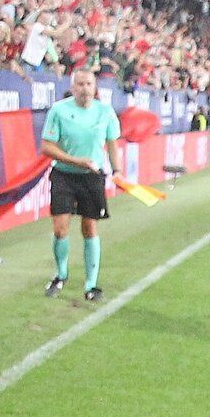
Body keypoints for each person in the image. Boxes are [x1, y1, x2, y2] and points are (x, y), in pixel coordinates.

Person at [39, 68, 121, 302]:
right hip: (64, 174)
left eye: (89, 84)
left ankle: (91, 285)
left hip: (91, 177)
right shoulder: (59, 110)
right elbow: (47, 147)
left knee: (90, 227)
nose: (85, 89)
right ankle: (61, 274)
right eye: (80, 84)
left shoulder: (105, 112)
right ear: (72, 87)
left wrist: (117, 170)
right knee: (60, 228)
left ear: (95, 88)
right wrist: (76, 161)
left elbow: (112, 143)